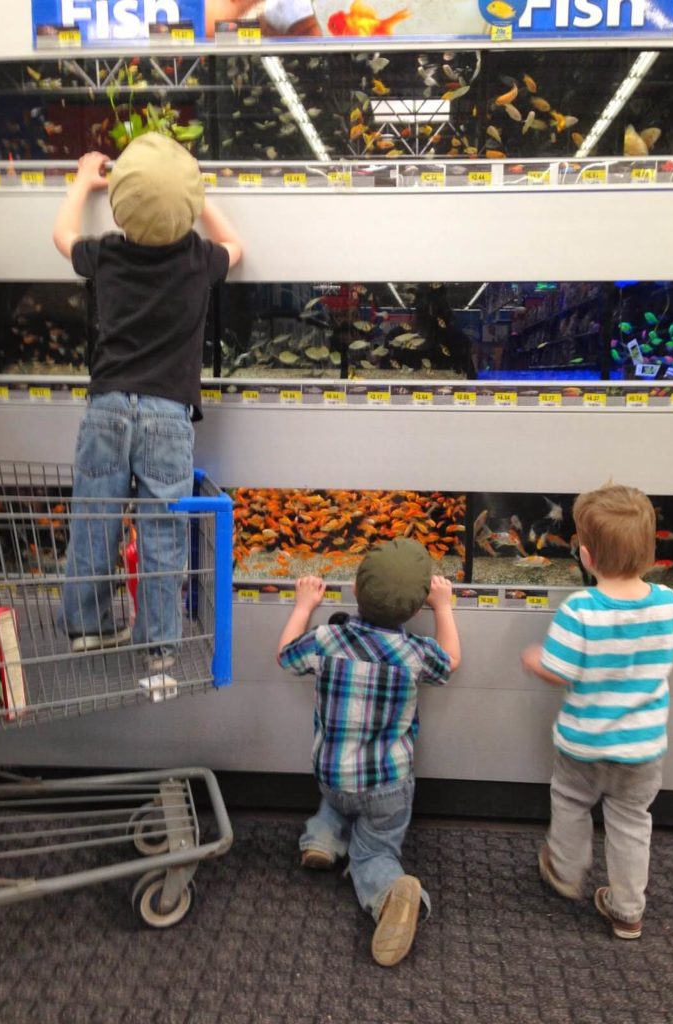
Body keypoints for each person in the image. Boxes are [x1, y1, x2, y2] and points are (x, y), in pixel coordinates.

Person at [52, 134, 242, 671]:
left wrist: (83, 180)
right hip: (167, 415)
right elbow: (239, 247)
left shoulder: (107, 254)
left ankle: (87, 627)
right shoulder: (198, 259)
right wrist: (198, 196)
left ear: (120, 203)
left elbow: (63, 234)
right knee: (162, 529)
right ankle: (159, 646)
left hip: (108, 407)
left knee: (95, 517)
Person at [277, 538, 461, 967]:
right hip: (387, 786)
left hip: (331, 776)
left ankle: (322, 839)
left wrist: (304, 606)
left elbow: (285, 655)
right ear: (418, 611)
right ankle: (389, 893)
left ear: (355, 592)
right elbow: (450, 660)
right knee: (374, 849)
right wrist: (446, 608)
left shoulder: (327, 638)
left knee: (336, 803)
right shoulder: (416, 653)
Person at [521, 483, 673, 940]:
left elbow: (559, 670)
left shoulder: (581, 609)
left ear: (586, 556)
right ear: (654, 551)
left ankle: (567, 867)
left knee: (572, 802)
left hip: (585, 744)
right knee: (632, 824)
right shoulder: (671, 604)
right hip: (642, 749)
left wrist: (535, 659)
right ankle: (628, 910)